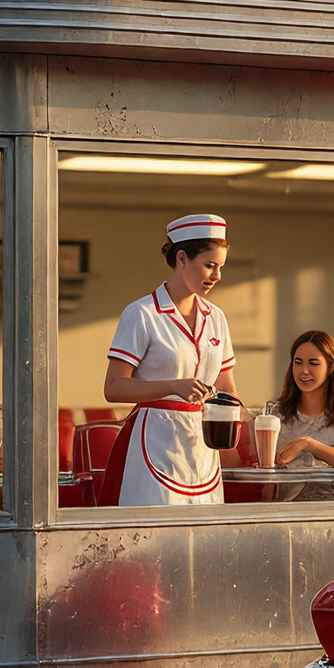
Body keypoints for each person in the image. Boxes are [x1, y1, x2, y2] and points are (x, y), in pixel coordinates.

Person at [103, 214, 240, 505]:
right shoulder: (141, 314)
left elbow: (227, 387)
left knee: (204, 538)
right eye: (209, 265)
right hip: (154, 441)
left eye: (220, 268)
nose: (216, 276)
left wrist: (246, 434)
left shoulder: (216, 318)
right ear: (181, 258)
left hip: (203, 447)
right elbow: (114, 387)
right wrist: (174, 386)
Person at [269, 329, 334, 501]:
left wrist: (309, 445)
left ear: (331, 367)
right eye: (298, 362)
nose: (304, 370)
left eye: (313, 363)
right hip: (289, 513)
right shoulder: (278, 413)